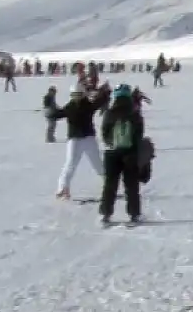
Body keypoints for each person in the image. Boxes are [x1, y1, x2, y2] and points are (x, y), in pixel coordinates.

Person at [97, 85, 146, 224]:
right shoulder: (135, 114)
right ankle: (134, 214)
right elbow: (139, 135)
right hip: (130, 153)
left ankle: (105, 213)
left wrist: (111, 143)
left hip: (112, 153)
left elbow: (104, 132)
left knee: (110, 184)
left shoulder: (109, 113)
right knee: (131, 185)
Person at [50, 88, 103, 199]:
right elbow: (58, 114)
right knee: (70, 164)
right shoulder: (70, 107)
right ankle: (63, 188)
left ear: (83, 94)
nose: (77, 97)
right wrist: (51, 111)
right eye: (74, 94)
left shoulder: (88, 105)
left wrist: (104, 93)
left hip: (89, 139)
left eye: (79, 94)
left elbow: (99, 103)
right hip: (74, 140)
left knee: (97, 164)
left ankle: (110, 184)